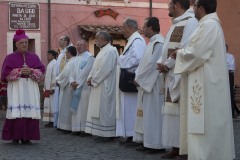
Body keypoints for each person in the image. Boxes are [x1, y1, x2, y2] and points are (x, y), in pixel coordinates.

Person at [171, 0, 235, 159]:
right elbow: (196, 49)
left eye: (195, 6)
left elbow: (198, 53)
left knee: (206, 122)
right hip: (205, 81)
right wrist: (183, 51)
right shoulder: (206, 25)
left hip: (207, 84)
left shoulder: (209, 25)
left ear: (201, 8)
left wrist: (180, 54)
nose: (192, 9)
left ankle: (206, 155)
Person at [156, 0, 198, 158]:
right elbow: (166, 48)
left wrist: (167, 65)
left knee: (182, 113)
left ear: (177, 5)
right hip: (169, 75)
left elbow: (185, 46)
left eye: (169, 4)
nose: (168, 7)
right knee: (171, 114)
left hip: (180, 75)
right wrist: (162, 63)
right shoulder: (175, 24)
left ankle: (184, 149)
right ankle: (175, 146)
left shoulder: (191, 22)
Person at [1, 29, 45, 144]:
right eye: (22, 42)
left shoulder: (34, 57)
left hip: (30, 87)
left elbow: (41, 72)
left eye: (26, 42)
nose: (24, 44)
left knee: (29, 112)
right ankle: (16, 136)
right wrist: (19, 71)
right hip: (16, 88)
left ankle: (27, 137)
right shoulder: (9, 58)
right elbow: (4, 75)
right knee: (16, 112)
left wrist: (31, 71)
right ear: (16, 44)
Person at [133, 17, 165, 153]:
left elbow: (153, 65)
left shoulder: (159, 43)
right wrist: (138, 77)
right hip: (145, 83)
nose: (143, 29)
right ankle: (147, 141)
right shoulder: (151, 43)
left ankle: (156, 144)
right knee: (145, 114)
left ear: (151, 28)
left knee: (154, 115)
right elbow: (142, 64)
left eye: (145, 27)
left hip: (154, 84)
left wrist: (139, 79)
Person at [116, 18, 146, 146]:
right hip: (127, 80)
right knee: (128, 109)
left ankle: (135, 135)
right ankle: (129, 134)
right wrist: (123, 59)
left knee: (132, 109)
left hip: (131, 79)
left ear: (129, 27)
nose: (122, 30)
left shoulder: (137, 41)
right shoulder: (133, 40)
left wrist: (121, 60)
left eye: (123, 27)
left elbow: (137, 59)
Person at [85, 30, 118, 142]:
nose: (95, 40)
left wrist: (94, 80)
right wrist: (89, 78)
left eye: (97, 38)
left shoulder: (111, 51)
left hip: (106, 85)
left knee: (105, 109)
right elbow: (95, 67)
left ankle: (108, 134)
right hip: (98, 84)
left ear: (103, 39)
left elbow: (105, 69)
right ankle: (101, 132)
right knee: (99, 110)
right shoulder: (102, 51)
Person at [69, 39, 94, 134]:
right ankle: (75, 128)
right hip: (75, 86)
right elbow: (71, 72)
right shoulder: (76, 58)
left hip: (84, 88)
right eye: (77, 45)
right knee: (77, 108)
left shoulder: (90, 57)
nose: (79, 47)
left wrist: (78, 83)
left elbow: (86, 72)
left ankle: (84, 129)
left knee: (84, 108)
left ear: (86, 46)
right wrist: (72, 82)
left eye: (81, 45)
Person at [56, 46, 77, 132]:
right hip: (67, 85)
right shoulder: (72, 61)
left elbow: (65, 74)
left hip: (68, 86)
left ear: (70, 53)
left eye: (66, 52)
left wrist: (58, 80)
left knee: (66, 106)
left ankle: (66, 126)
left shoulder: (72, 62)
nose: (65, 54)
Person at [53, 35, 71, 128]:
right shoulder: (61, 53)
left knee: (64, 103)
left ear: (66, 42)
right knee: (58, 103)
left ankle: (64, 124)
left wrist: (60, 80)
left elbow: (67, 68)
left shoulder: (68, 52)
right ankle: (59, 123)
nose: (58, 41)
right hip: (59, 81)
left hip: (65, 82)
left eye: (61, 40)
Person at [42, 50, 57, 127]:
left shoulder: (54, 63)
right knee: (48, 104)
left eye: (49, 55)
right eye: (47, 54)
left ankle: (53, 121)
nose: (48, 56)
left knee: (52, 105)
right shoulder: (50, 64)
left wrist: (53, 87)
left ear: (53, 56)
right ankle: (50, 121)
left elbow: (54, 76)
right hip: (48, 87)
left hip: (51, 88)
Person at [226, 44, 240, 118]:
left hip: (229, 76)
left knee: (230, 93)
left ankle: (232, 112)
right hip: (222, 76)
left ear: (226, 49)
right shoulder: (218, 57)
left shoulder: (230, 56)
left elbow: (231, 67)